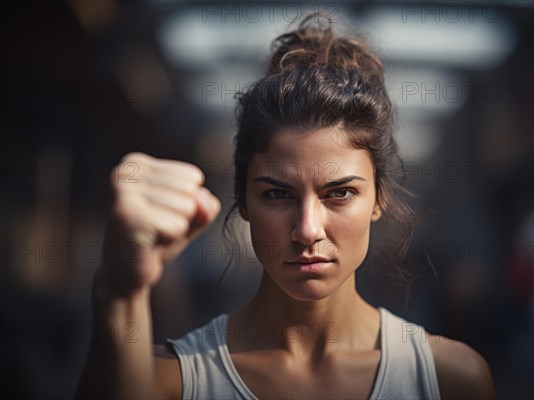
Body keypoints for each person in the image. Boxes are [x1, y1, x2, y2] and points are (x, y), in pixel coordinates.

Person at [76, 13, 494, 400]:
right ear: (242, 200)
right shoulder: (166, 380)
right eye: (277, 194)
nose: (308, 229)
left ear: (378, 198)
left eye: (339, 193)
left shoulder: (448, 378)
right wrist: (118, 293)